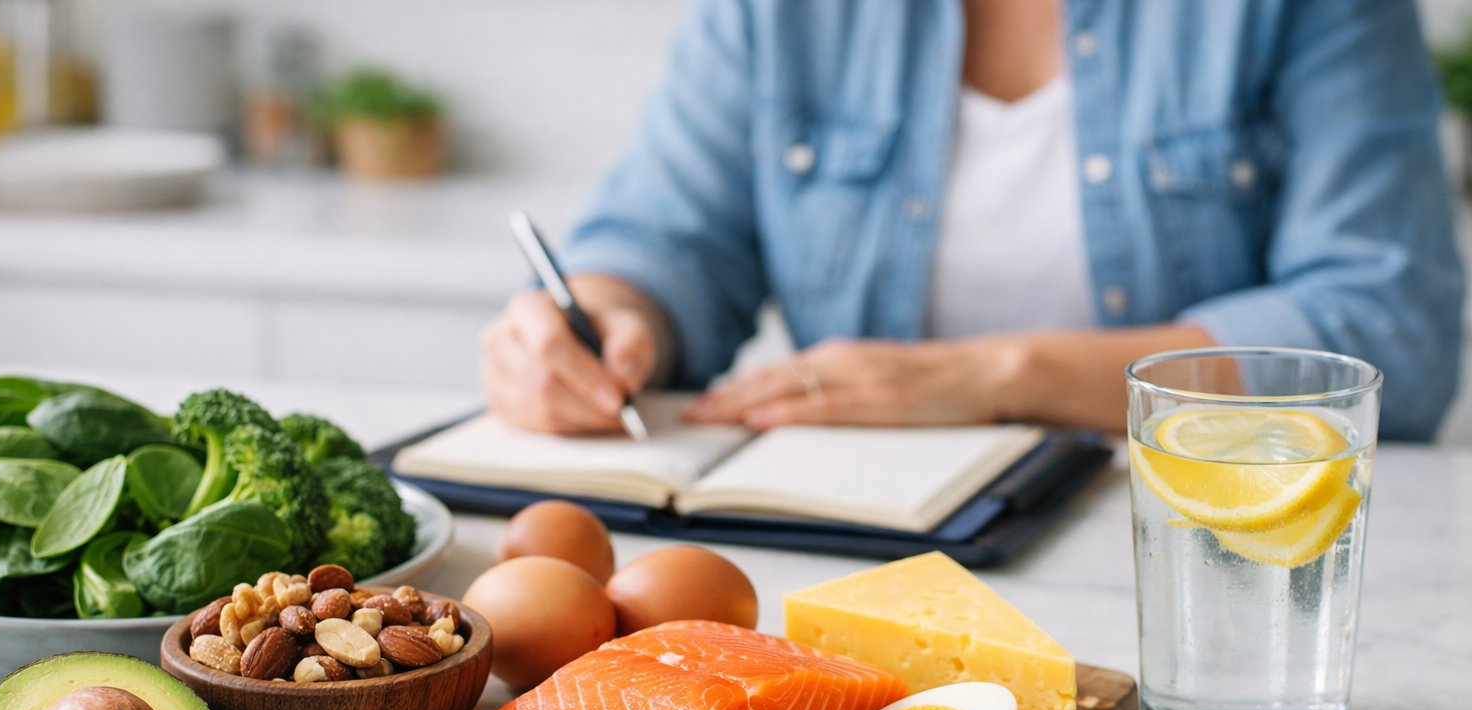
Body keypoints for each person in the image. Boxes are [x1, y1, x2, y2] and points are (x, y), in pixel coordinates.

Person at [480, 0, 1464, 442]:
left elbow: (1387, 332)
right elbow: (669, 234)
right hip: (861, 537)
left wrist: (991, 378)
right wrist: (605, 312)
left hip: (1199, 543)